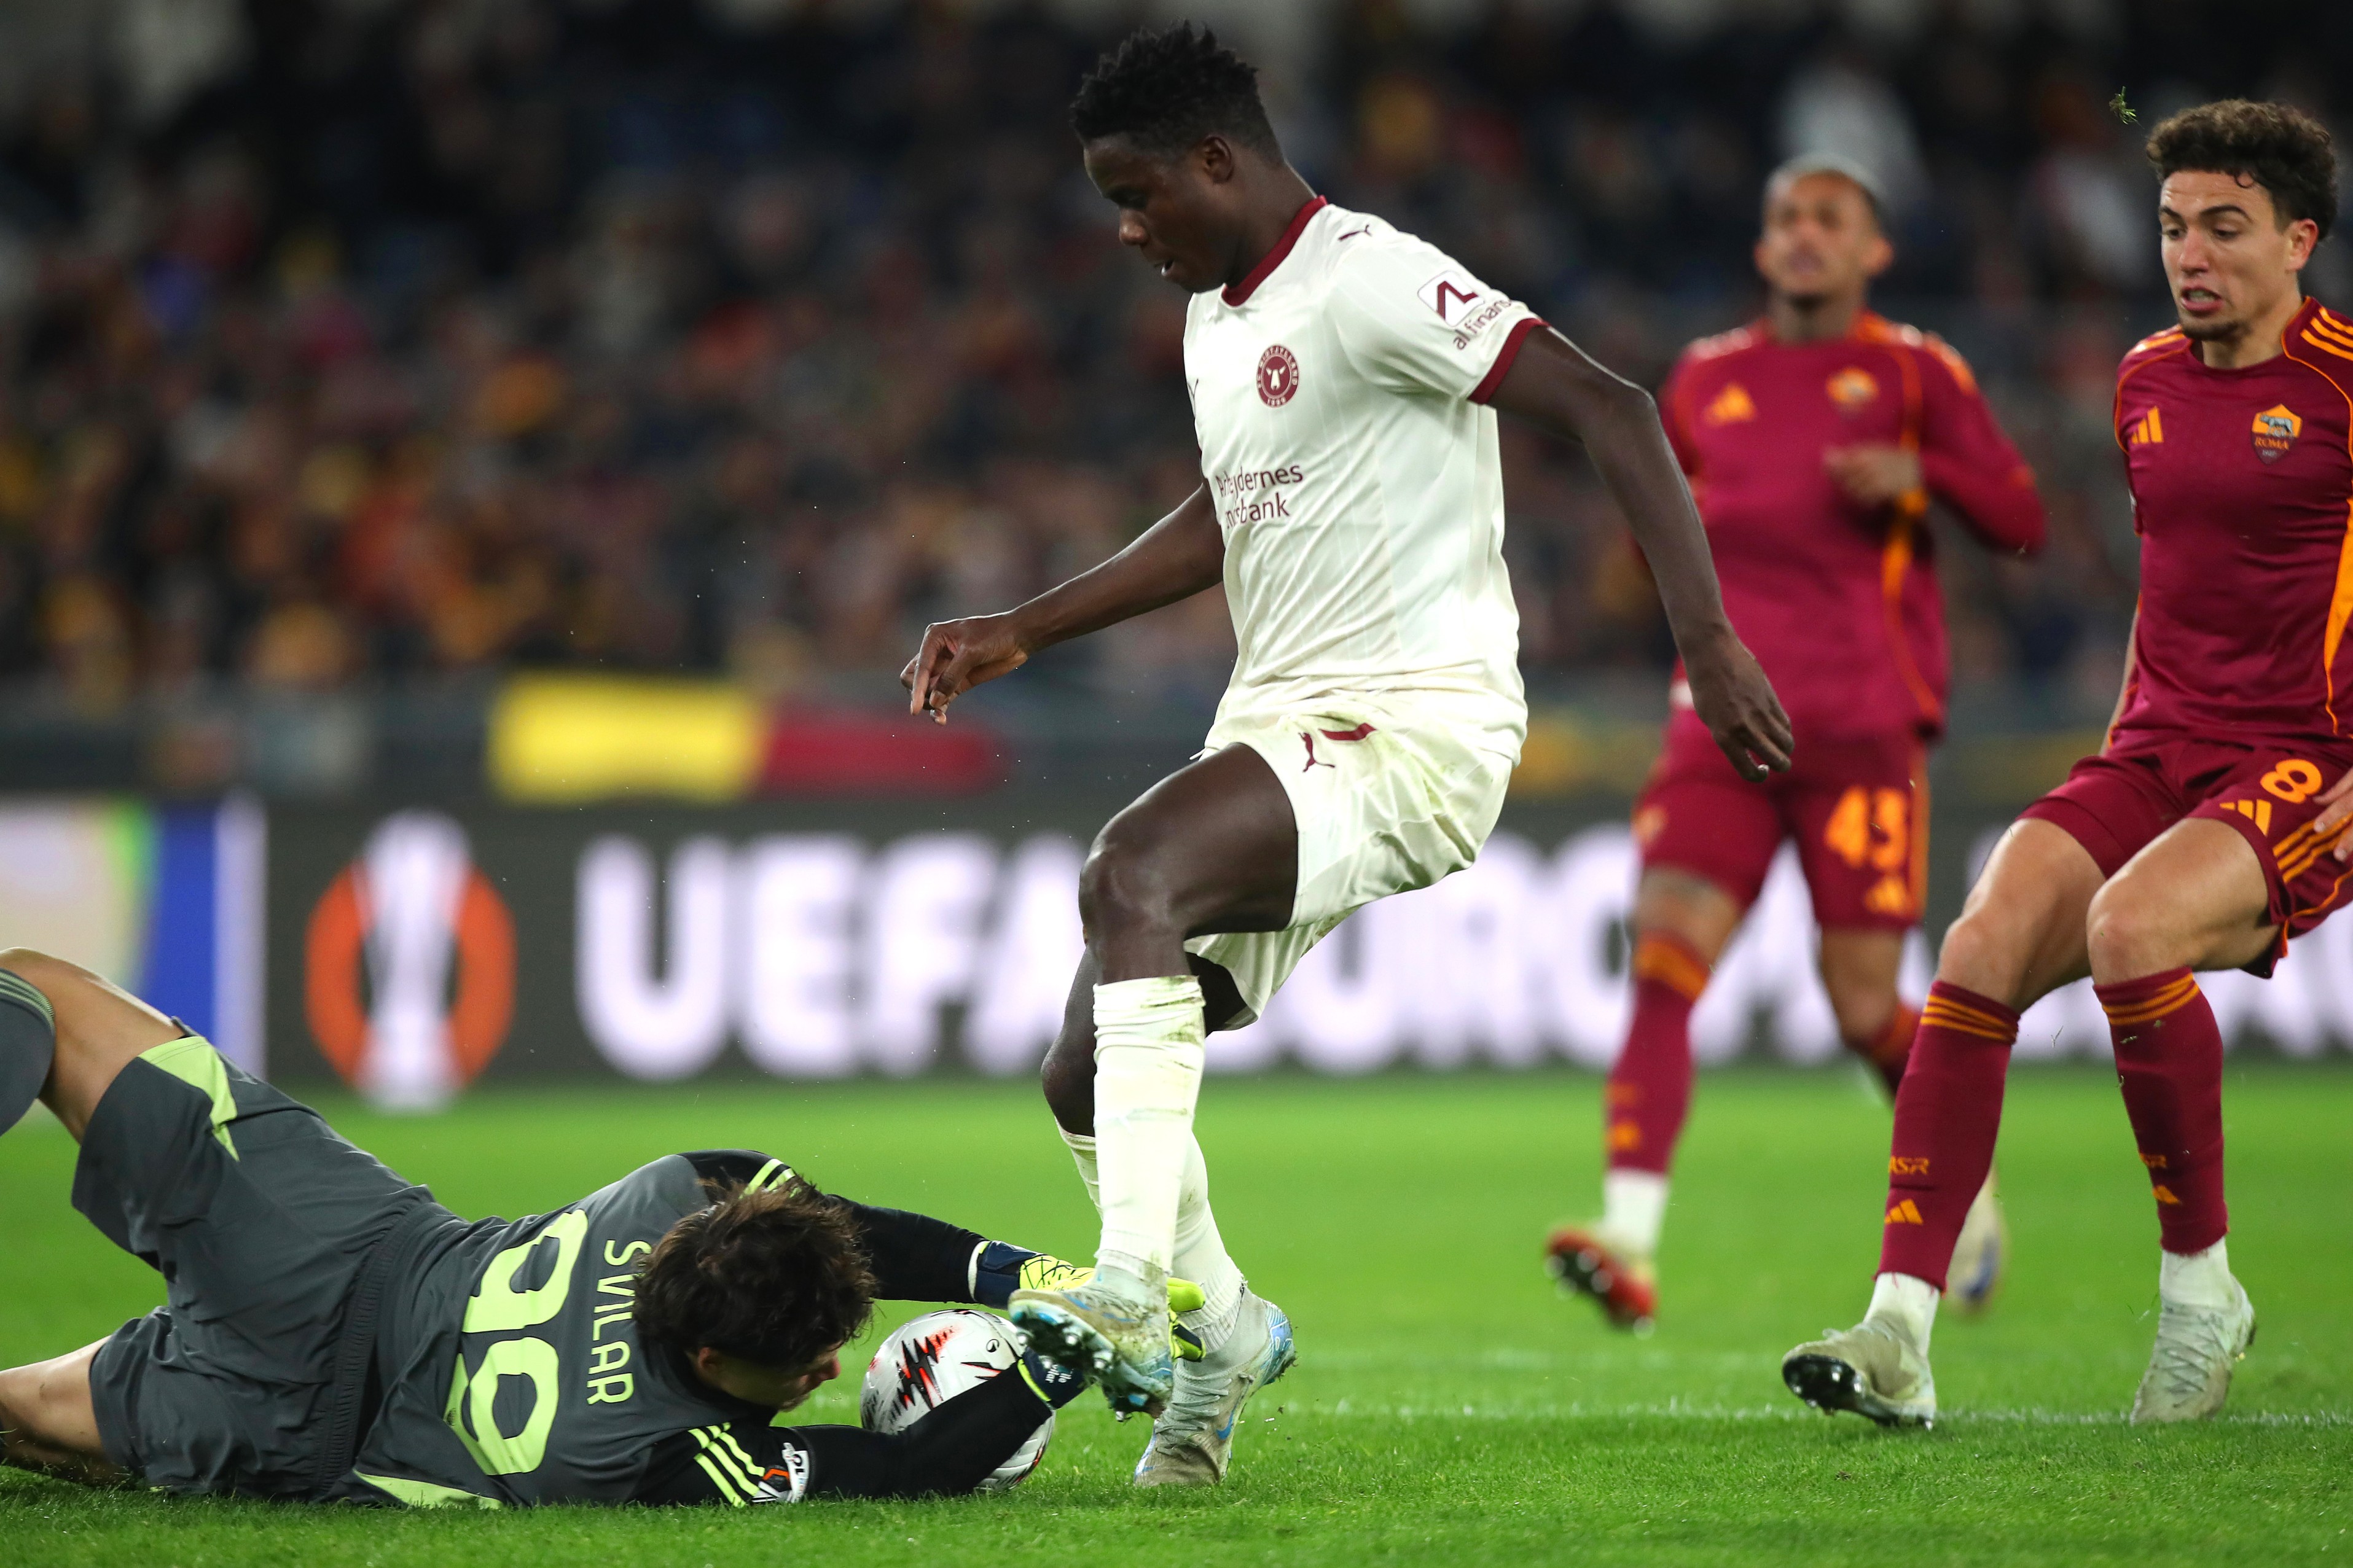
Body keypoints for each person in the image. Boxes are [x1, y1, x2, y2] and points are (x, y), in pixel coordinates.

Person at [899, 23, 1789, 1486]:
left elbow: (1608, 405)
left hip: (1417, 720)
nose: (1127, 231)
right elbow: (1227, 512)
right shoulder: (1215, 314)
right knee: (1080, 1071)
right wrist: (1027, 626)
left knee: (1130, 869)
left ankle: (1127, 1291)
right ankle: (1228, 1328)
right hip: (1284, 719)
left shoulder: (1368, 273)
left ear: (1216, 159)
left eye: (1139, 195)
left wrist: (1706, 641)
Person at [1782, 99, 2346, 1427]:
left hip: (2305, 759)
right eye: (2169, 227)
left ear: (2298, 241)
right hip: (2157, 740)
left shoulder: (2339, 385)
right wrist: (2126, 741)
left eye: (2223, 227)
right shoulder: (2145, 376)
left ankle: (2200, 1292)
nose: (2188, 253)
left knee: (2128, 928)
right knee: (1975, 946)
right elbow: (2179, 588)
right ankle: (1899, 1331)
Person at [0, 946, 1165, 1505]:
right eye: (805, 1366)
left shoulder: (680, 1187)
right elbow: (917, 1466)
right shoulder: (669, 1454)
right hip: (297, 1423)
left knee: (35, 992)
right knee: (14, 1416)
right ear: (710, 1365)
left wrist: (1034, 1275)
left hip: (332, 1232)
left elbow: (858, 1229)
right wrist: (1045, 1367)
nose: (824, 1371)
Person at [1546, 157, 2046, 1333]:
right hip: (1718, 721)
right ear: (1762, 247)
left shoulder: (1917, 370)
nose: (1804, 235)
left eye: (1830, 219)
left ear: (1874, 249)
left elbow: (2020, 518)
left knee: (1863, 1002)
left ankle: (1961, 1191)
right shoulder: (1704, 379)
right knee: (1665, 958)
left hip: (1862, 728)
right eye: (1784, 219)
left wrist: (1925, 479)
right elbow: (1649, 528)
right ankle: (1628, 1236)